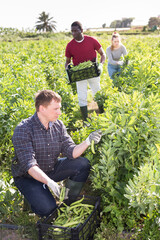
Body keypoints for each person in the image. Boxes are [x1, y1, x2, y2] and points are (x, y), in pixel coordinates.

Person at [11, 90, 102, 217]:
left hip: (50, 168)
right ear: (42, 108)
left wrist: (87, 141)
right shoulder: (23, 130)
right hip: (28, 177)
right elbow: (29, 166)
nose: (59, 112)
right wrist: (49, 182)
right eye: (56, 109)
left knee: (82, 164)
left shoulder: (58, 125)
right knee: (49, 210)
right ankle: (32, 200)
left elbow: (71, 152)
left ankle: (67, 203)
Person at [65, 21, 106, 121]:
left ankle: (104, 115)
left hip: (92, 71)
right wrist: (68, 70)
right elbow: (67, 62)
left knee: (97, 92)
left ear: (81, 30)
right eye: (72, 31)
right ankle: (85, 119)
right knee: (82, 96)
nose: (73, 33)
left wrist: (100, 65)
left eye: (76, 31)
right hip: (79, 74)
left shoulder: (91, 40)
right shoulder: (70, 45)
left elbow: (103, 54)